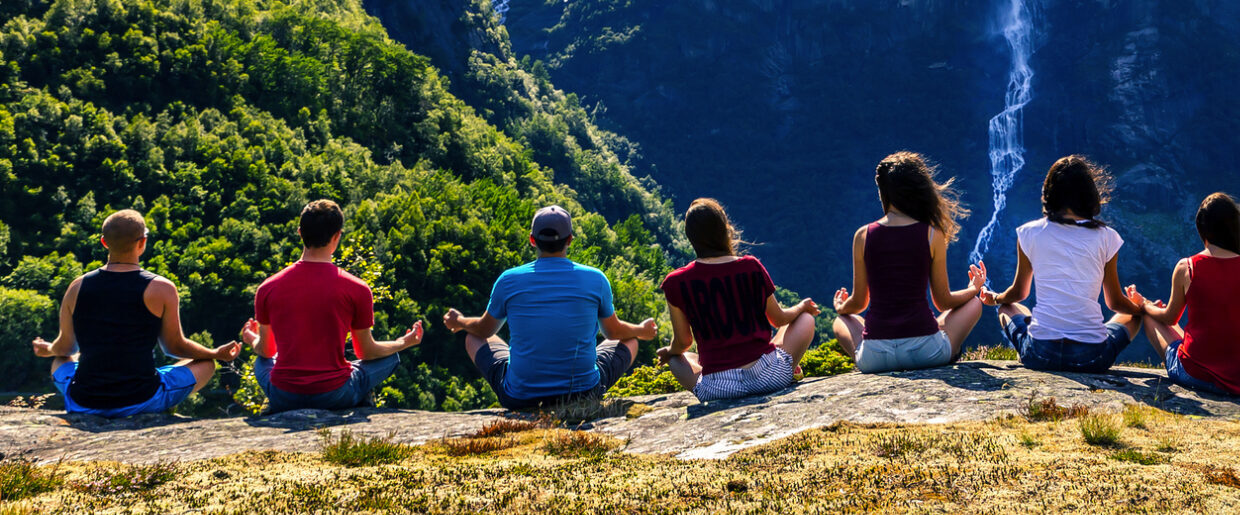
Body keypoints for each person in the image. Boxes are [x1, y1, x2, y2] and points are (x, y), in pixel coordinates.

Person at [29, 209, 242, 417]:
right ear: (143, 242)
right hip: (143, 398)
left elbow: (66, 347)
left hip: (83, 400)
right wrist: (215, 353)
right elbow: (174, 347)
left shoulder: (77, 286)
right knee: (206, 364)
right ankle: (160, 407)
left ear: (104, 242)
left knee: (60, 359)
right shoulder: (162, 288)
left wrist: (47, 348)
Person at [442, 205, 657, 411]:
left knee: (472, 336)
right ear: (570, 240)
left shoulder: (508, 280)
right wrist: (642, 330)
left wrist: (459, 322)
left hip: (519, 397)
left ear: (532, 240)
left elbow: (483, 330)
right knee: (629, 339)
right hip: (583, 393)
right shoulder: (595, 279)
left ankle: (525, 379)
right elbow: (613, 332)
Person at [239, 200, 423, 414]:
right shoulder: (357, 288)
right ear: (337, 236)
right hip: (335, 394)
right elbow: (366, 351)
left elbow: (267, 350)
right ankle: (357, 399)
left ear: (300, 233)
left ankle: (273, 406)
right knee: (392, 356)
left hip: (284, 395)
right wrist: (403, 342)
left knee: (263, 361)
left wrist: (250, 337)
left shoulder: (267, 287)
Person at [979, 155, 1145, 373]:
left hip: (1040, 354)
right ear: (1090, 195)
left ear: (1049, 193)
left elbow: (1019, 293)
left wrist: (995, 298)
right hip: (1092, 358)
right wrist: (1141, 307)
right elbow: (1114, 302)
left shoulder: (1029, 233)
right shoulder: (1107, 236)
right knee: (1131, 316)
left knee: (1008, 307)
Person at [830, 152, 988, 374]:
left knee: (841, 320)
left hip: (876, 357)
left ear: (882, 192)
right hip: (926, 352)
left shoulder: (863, 236)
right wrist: (974, 289)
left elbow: (859, 303)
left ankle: (863, 355)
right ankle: (948, 352)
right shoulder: (932, 234)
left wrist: (840, 307)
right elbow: (943, 302)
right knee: (974, 303)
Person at [658, 198, 820, 400]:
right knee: (805, 319)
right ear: (725, 230)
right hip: (769, 376)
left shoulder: (676, 282)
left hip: (719, 388)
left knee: (677, 359)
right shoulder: (750, 266)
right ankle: (790, 370)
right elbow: (778, 319)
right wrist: (801, 307)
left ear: (691, 237)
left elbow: (683, 341)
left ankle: (704, 385)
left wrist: (669, 351)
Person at [1140, 193, 1240, 396]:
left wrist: (1145, 306)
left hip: (1194, 375)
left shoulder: (1187, 267)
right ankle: (1238, 371)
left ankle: (1154, 318)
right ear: (1234, 228)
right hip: (1239, 380)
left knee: (1151, 317)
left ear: (1201, 228)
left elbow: (1169, 318)